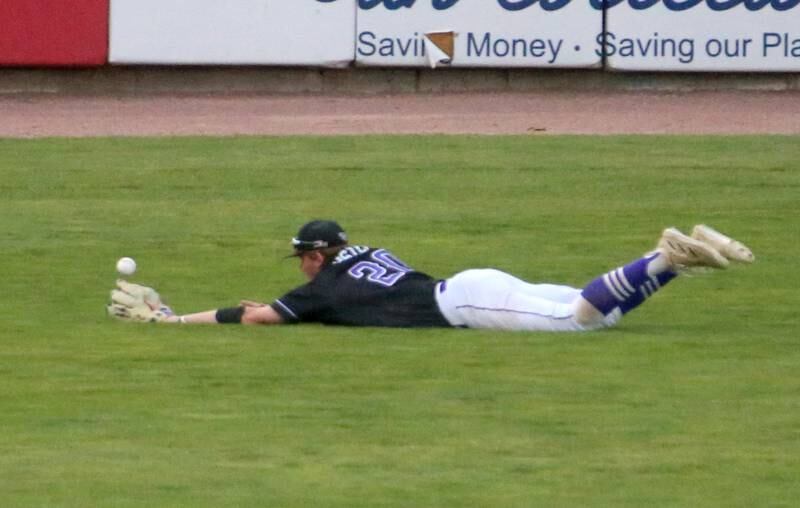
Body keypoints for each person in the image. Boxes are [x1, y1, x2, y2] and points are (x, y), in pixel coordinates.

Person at [106, 220, 754, 332]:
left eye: (304, 256)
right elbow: (283, 304)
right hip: (471, 281)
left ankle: (666, 257)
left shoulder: (324, 284)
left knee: (575, 322)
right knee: (600, 312)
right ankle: (677, 259)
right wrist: (288, 301)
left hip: (467, 302)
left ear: (319, 253)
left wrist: (172, 319)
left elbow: (255, 316)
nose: (302, 265)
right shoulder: (362, 258)